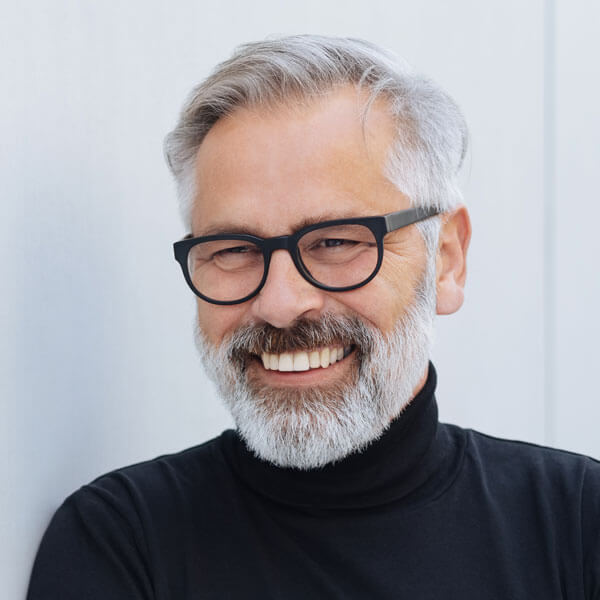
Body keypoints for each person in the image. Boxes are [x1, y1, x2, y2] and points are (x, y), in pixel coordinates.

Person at [28, 35, 600, 599]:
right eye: (233, 249)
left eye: (335, 241)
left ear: (445, 260)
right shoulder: (122, 544)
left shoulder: (576, 526)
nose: (279, 303)